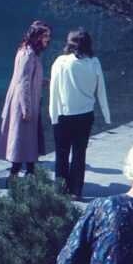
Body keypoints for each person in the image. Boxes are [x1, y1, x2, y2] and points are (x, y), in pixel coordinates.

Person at [49, 27, 111, 198]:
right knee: (79, 153)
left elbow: (54, 92)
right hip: (85, 114)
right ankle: (76, 190)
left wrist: (53, 115)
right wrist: (106, 114)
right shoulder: (94, 62)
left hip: (63, 114)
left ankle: (60, 191)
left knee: (61, 153)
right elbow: (101, 91)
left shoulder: (60, 62)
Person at [0, 20, 51, 176]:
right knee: (21, 143)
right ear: (37, 36)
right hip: (23, 104)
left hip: (27, 101)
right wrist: (26, 108)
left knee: (27, 142)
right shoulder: (28, 54)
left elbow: (27, 77)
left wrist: (42, 80)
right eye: (45, 35)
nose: (48, 38)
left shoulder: (29, 51)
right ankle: (14, 180)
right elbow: (23, 82)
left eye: (48, 35)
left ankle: (29, 177)